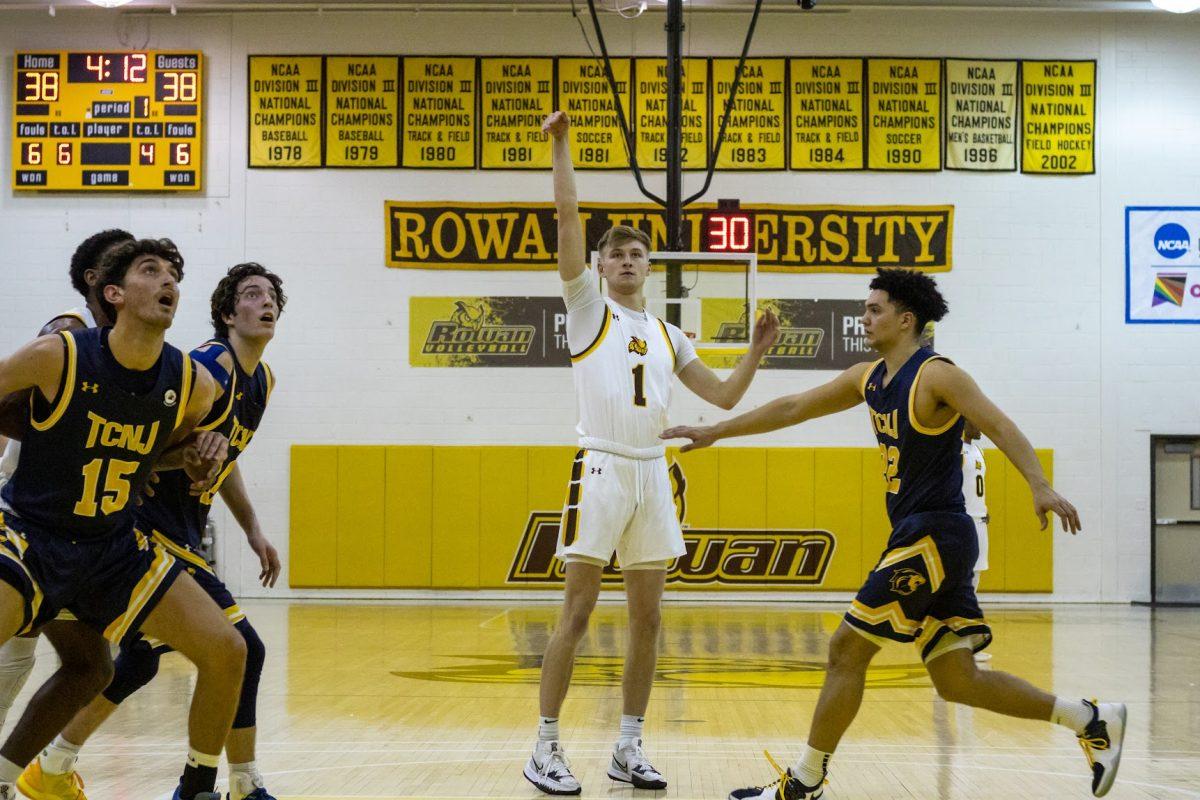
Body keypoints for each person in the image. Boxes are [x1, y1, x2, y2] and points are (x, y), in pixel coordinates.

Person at [663, 268, 1125, 799]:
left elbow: (998, 425)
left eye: (875, 309)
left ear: (907, 320)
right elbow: (793, 407)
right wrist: (717, 430)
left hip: (936, 533)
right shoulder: (870, 376)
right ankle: (1090, 720)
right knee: (958, 682)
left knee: (845, 649)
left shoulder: (938, 375)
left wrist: (1039, 484)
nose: (864, 317)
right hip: (919, 534)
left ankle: (803, 783)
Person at [522, 110, 780, 797]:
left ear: (648, 265)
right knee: (575, 613)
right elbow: (569, 214)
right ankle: (545, 745)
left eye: (638, 254)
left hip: (653, 474)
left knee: (649, 617)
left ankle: (627, 746)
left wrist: (754, 353)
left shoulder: (668, 333)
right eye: (618, 255)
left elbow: (722, 398)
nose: (629, 261)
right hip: (602, 465)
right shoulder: (586, 308)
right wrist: (561, 144)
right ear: (600, 267)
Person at [20, 264, 285, 800]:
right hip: (147, 526)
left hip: (183, 529)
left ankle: (48, 766)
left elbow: (222, 456)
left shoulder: (263, 379)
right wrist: (141, 468)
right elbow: (159, 428)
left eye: (272, 295)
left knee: (137, 661)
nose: (266, 302)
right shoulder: (211, 365)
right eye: (252, 295)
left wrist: (253, 529)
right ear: (228, 314)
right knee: (243, 649)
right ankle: (236, 783)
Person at [0, 230, 134, 737]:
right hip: (30, 511)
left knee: (90, 665)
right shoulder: (68, 330)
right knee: (20, 651)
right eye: (122, 267)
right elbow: (14, 406)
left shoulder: (134, 351)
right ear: (97, 281)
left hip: (79, 527)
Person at [960, 419, 991, 663]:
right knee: (964, 581)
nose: (981, 426)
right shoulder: (954, 449)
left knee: (976, 578)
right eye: (976, 422)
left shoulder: (978, 450)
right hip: (963, 521)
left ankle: (966, 640)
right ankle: (963, 640)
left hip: (980, 520)